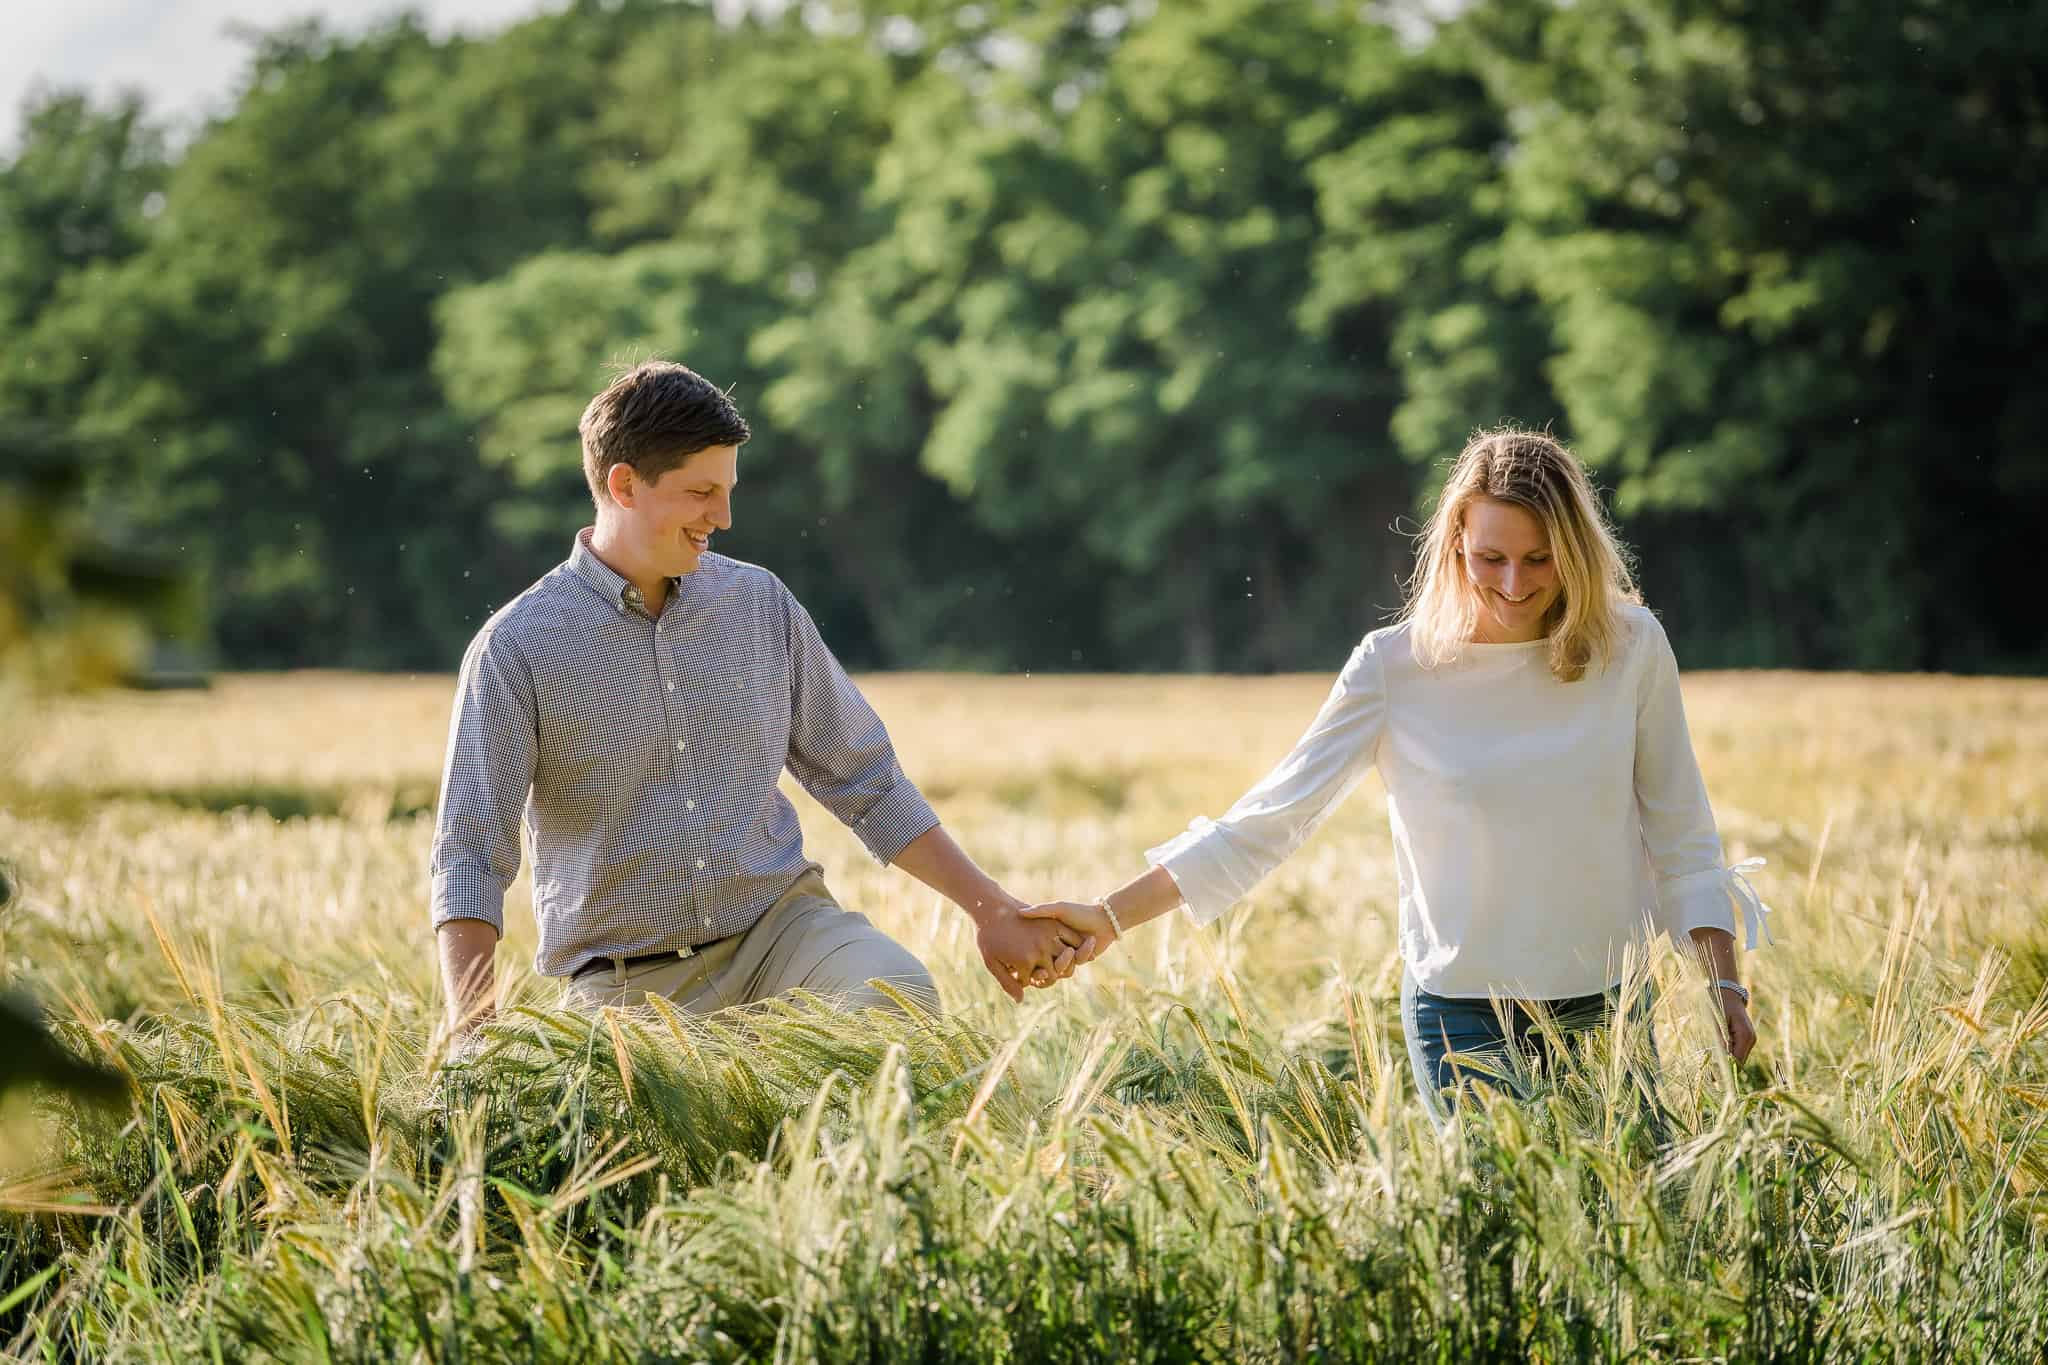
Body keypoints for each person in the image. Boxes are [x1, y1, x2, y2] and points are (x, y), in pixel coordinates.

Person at [1024, 429, 1769, 1128]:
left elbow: (1682, 830)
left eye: (1540, 559)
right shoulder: (1394, 667)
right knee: (1489, 1237)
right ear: (1455, 545)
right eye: (1492, 557)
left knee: (1625, 1232)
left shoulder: (1631, 646)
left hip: (1608, 1004)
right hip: (1460, 1011)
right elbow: (1269, 819)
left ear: (1576, 549)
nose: (1515, 583)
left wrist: (1723, 984)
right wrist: (1110, 915)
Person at [430, 361, 1089, 1042]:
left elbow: (865, 778)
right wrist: (472, 1037)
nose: (723, 517)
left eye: (728, 491)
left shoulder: (759, 604)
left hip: (784, 935)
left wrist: (992, 909)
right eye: (701, 492)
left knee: (898, 998)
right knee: (627, 1135)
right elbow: (471, 855)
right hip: (626, 986)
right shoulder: (516, 649)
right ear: (625, 484)